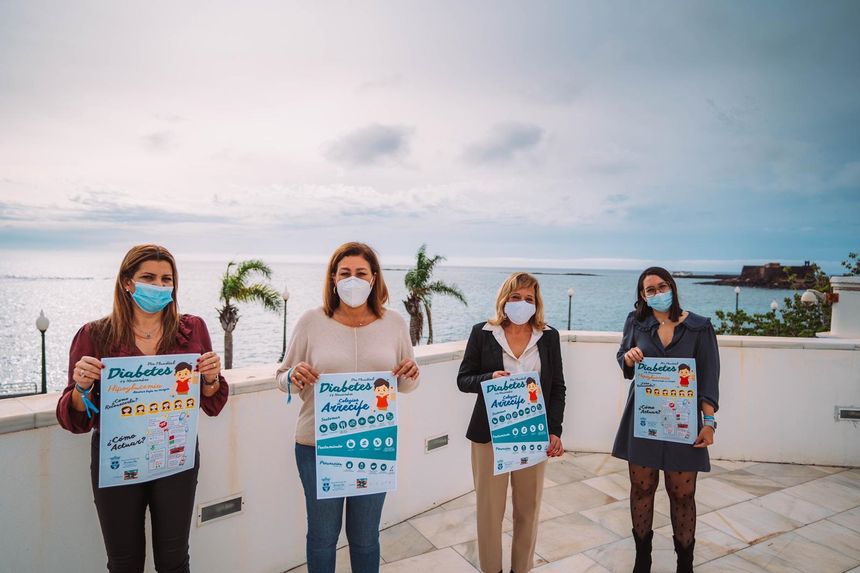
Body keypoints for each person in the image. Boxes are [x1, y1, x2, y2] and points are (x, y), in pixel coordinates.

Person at [56, 244, 229, 573]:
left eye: (167, 279)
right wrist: (81, 387)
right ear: (127, 282)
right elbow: (74, 417)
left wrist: (210, 378)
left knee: (175, 560)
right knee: (124, 563)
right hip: (118, 461)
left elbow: (212, 402)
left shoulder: (193, 330)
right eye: (149, 277)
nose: (160, 286)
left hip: (175, 459)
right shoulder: (95, 335)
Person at [275, 242, 420, 573]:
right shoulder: (311, 321)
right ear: (333, 278)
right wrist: (293, 376)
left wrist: (411, 374)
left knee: (366, 538)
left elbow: (407, 384)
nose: (352, 279)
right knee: (323, 537)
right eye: (345, 273)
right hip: (317, 446)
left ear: (373, 279)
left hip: (372, 447)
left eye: (360, 273)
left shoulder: (394, 323)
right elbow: (282, 376)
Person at [612, 267, 720, 573]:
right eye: (650, 290)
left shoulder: (700, 327)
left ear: (672, 287)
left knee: (682, 494)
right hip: (643, 419)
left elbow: (709, 378)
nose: (658, 293)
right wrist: (628, 358)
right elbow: (623, 356)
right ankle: (642, 558)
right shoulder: (636, 322)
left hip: (684, 423)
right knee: (641, 489)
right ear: (642, 296)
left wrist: (709, 423)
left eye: (662, 287)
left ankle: (685, 564)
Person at [457, 272, 566, 573]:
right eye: (515, 297)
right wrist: (488, 379)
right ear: (504, 299)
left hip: (533, 435)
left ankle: (522, 569)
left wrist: (554, 431)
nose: (522, 303)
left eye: (528, 298)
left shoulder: (549, 337)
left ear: (536, 303)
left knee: (528, 512)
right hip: (489, 437)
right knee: (489, 514)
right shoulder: (482, 333)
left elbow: (557, 387)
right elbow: (463, 379)